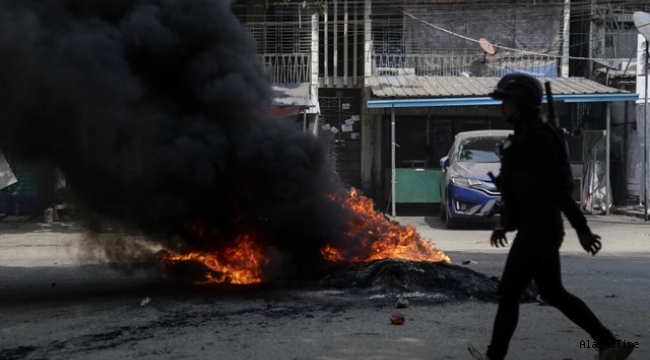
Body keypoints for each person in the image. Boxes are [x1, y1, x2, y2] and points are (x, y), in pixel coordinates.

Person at [470, 73, 633, 360]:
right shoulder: (523, 138)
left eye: (505, 101)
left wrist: (582, 229)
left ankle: (494, 357)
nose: (501, 107)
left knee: (509, 294)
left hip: (539, 230)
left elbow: (557, 190)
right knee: (553, 292)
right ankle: (609, 344)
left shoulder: (539, 139)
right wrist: (504, 224)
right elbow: (521, 190)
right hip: (537, 228)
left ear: (519, 104)